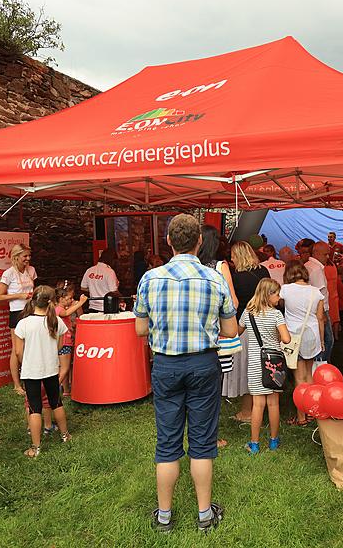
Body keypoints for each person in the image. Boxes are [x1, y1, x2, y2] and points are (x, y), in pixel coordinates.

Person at [134, 214, 236, 534]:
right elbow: (230, 330)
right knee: (203, 443)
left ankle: (164, 516)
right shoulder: (214, 278)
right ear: (199, 241)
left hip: (166, 364)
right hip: (203, 364)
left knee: (167, 442)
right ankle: (204, 515)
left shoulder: (150, 278)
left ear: (168, 241)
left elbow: (140, 328)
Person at [15, 286, 70, 457]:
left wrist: (27, 362)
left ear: (33, 301)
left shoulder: (23, 323)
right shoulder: (56, 321)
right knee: (56, 402)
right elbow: (60, 346)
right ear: (51, 302)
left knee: (34, 408)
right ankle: (65, 435)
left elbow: (18, 352)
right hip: (51, 368)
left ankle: (36, 447)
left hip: (31, 371)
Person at [238, 279, 291, 455]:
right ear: (268, 294)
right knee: (273, 403)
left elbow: (237, 331)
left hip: (255, 361)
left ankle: (254, 444)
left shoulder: (248, 312)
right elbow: (286, 339)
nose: (279, 297)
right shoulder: (276, 315)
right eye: (276, 293)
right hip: (273, 363)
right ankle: (274, 442)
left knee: (258, 405)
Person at [222, 242, 270, 422]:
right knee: (262, 366)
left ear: (240, 256)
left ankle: (247, 411)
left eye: (233, 255)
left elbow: (232, 303)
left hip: (245, 326)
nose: (232, 259)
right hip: (266, 324)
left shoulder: (237, 278)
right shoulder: (264, 272)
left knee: (247, 368)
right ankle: (264, 405)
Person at [280, 262, 325, 426]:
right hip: (312, 335)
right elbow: (321, 318)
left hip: (293, 336)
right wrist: (321, 340)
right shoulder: (316, 293)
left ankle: (301, 417)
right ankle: (312, 411)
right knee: (309, 375)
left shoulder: (285, 290)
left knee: (299, 378)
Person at [0, 243, 36, 398]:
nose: (28, 259)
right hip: (17, 311)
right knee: (17, 349)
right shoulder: (9, 273)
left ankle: (29, 378)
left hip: (31, 310)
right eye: (25, 256)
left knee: (30, 346)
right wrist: (18, 296)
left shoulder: (31, 270)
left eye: (29, 256)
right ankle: (17, 384)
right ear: (16, 256)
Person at [54, 283, 87, 398]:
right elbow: (66, 313)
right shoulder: (59, 309)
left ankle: (65, 390)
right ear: (61, 299)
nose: (71, 300)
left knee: (60, 367)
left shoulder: (56, 309)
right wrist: (81, 303)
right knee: (65, 368)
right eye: (68, 299)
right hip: (64, 343)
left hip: (62, 342)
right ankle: (51, 389)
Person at [306, 241, 333, 361]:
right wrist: (322, 314)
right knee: (327, 340)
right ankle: (322, 364)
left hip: (311, 310)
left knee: (318, 339)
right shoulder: (316, 269)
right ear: (316, 253)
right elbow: (318, 294)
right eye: (325, 254)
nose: (328, 257)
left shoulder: (308, 265)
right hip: (320, 310)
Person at [81, 248, 120, 313]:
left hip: (92, 307)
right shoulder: (109, 272)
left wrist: (94, 289)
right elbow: (113, 291)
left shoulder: (90, 270)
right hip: (107, 307)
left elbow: (83, 287)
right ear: (112, 260)